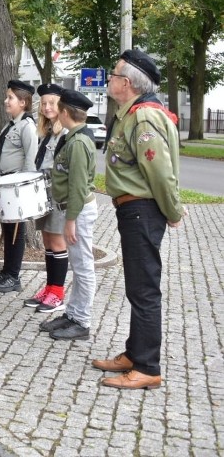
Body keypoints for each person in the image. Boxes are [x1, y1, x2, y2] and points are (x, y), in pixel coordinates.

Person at [92, 49, 182, 390]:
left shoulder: (144, 118)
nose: (109, 80)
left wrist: (172, 211)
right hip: (133, 208)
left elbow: (160, 172)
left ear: (126, 83)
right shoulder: (132, 113)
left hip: (142, 209)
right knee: (137, 286)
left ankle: (147, 367)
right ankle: (134, 352)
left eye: (113, 75)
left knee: (144, 289)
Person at [38, 90, 99, 340]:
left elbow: (78, 185)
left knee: (83, 267)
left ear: (64, 113)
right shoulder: (74, 138)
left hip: (79, 210)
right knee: (77, 265)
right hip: (73, 209)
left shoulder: (78, 143)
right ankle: (72, 314)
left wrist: (71, 220)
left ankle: (81, 321)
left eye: (58, 109)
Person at [0, 80, 37, 293]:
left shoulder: (27, 127)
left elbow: (30, 162)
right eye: (7, 97)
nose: (6, 101)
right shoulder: (10, 124)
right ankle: (6, 272)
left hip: (16, 188)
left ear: (23, 102)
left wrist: (23, 190)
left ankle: (13, 276)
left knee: (16, 231)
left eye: (10, 98)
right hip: (4, 185)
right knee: (7, 229)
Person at [24, 83, 69, 312]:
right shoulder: (47, 132)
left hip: (58, 193)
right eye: (43, 103)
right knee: (48, 241)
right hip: (44, 191)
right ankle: (50, 288)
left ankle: (58, 294)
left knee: (58, 242)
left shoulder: (66, 132)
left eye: (52, 102)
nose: (47, 107)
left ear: (61, 105)